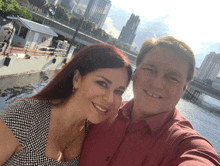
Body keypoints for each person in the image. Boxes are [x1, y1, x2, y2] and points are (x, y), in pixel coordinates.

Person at [79, 36, 220, 166]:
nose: (157, 84)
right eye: (150, 69)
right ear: (135, 73)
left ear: (184, 89)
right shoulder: (100, 112)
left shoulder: (184, 144)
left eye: (172, 78)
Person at [0, 43, 132, 165]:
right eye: (102, 83)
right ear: (77, 79)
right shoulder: (24, 116)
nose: (110, 99)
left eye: (119, 91)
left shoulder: (91, 133)